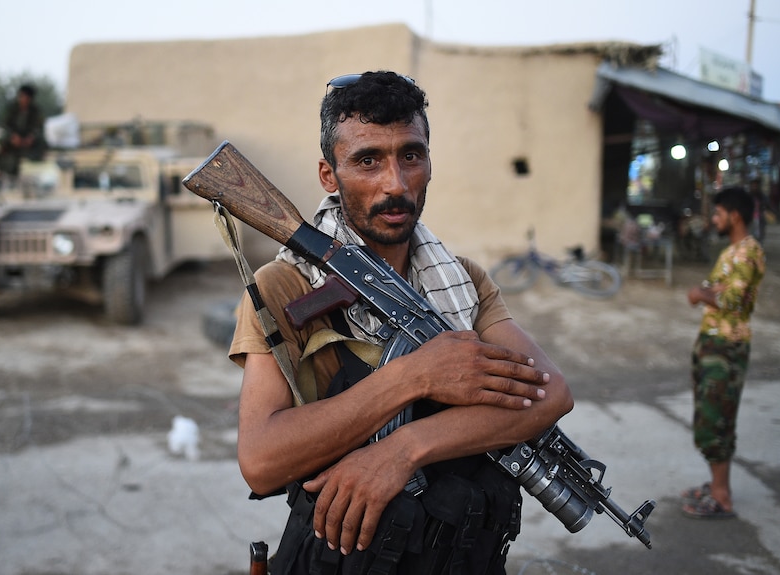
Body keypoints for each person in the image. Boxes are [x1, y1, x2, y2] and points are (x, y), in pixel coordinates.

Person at [229, 71, 573, 574]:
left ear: (429, 162)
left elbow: (549, 395)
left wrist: (403, 450)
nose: (395, 184)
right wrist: (416, 375)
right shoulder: (286, 285)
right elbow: (261, 463)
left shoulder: (461, 280)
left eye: (410, 155)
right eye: (367, 160)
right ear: (329, 175)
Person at [681, 187, 765, 519]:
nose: (713, 219)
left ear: (735, 216)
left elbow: (734, 301)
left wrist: (701, 293)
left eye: (718, 214)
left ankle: (721, 496)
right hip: (713, 343)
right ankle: (718, 485)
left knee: (715, 421)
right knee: (711, 417)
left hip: (727, 347)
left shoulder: (747, 253)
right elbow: (724, 293)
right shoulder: (733, 251)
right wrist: (709, 291)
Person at [0, 83, 46, 185]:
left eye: (25, 97)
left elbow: (39, 127)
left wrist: (30, 138)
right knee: (3, 142)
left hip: (28, 141)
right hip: (13, 140)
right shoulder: (12, 108)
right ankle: (1, 173)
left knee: (41, 142)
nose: (23, 99)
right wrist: (13, 137)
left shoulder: (35, 111)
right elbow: (5, 125)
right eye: (21, 96)